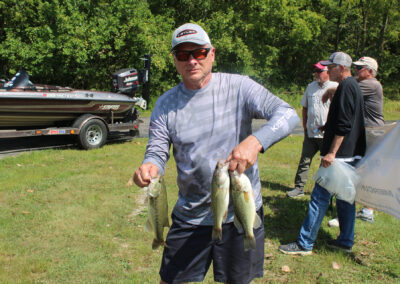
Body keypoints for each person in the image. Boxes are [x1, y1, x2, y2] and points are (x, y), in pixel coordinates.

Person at [133, 23, 300, 283]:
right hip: (190, 217)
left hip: (239, 215)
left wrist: (255, 141)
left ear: (211, 54)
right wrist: (150, 167)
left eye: (198, 53)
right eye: (182, 55)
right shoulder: (165, 104)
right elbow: (156, 149)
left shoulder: (240, 87)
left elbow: (288, 114)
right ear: (174, 60)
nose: (191, 60)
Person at [278, 52, 366, 255]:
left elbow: (344, 125)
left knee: (319, 198)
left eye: (331, 67)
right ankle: (345, 241)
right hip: (350, 154)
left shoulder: (346, 87)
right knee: (345, 199)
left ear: (341, 68)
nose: (327, 70)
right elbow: (346, 119)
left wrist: (331, 153)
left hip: (339, 156)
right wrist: (326, 126)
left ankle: (304, 244)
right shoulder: (351, 86)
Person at [328, 56, 383, 227]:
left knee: (358, 172)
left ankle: (361, 212)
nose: (357, 70)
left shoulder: (370, 84)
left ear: (370, 72)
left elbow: (341, 91)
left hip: (371, 133)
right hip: (366, 131)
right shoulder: (363, 84)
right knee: (361, 172)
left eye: (360, 68)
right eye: (356, 67)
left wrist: (329, 91)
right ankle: (364, 210)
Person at [287, 61, 338, 198]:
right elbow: (305, 107)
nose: (316, 73)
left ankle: (325, 191)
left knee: (326, 163)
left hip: (327, 134)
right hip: (310, 132)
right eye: (315, 70)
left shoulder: (336, 86)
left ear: (328, 72)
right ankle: (299, 188)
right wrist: (305, 125)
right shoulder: (311, 87)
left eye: (319, 71)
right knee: (305, 160)